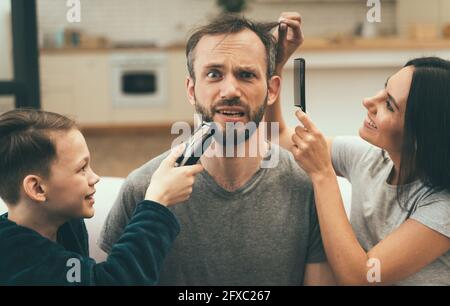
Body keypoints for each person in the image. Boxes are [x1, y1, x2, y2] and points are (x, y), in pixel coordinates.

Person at [98, 13, 336, 286]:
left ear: (272, 90)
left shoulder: (305, 188)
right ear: (191, 89)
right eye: (214, 74)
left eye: (246, 75)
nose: (230, 90)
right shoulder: (143, 190)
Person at [269, 57, 450, 285]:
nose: (368, 101)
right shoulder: (369, 157)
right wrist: (274, 67)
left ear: (420, 137)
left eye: (389, 105)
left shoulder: (443, 206)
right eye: (384, 88)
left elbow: (360, 277)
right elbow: (278, 139)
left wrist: (323, 174)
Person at [0, 109, 203, 285]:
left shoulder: (64, 223)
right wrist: (157, 201)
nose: (95, 177)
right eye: (81, 169)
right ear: (37, 188)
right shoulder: (16, 259)